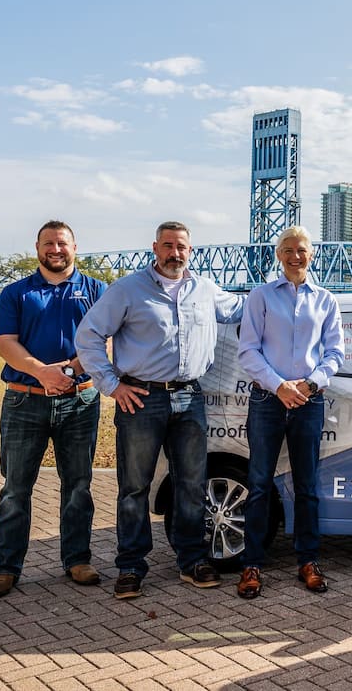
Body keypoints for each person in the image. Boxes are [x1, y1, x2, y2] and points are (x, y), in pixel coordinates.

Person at [75, 221, 244, 600]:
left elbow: (244, 310)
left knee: (191, 484)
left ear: (191, 250)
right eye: (168, 245)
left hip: (190, 398)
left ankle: (191, 559)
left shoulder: (205, 290)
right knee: (134, 488)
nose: (175, 253)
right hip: (142, 399)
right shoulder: (128, 290)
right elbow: (88, 335)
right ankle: (131, 566)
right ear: (155, 248)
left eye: (181, 246)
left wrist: (292, 290)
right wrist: (112, 385)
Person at [0, 220, 106, 599]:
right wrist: (42, 372)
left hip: (79, 400)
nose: (56, 249)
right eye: (49, 243)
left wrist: (67, 371)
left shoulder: (96, 291)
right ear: (37, 247)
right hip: (24, 399)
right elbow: (6, 343)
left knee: (78, 486)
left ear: (75, 247)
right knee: (16, 489)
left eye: (63, 243)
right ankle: (5, 568)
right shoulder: (16, 293)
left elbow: (107, 342)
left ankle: (77, 559)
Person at [235, 225, 344, 599]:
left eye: (302, 250)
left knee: (307, 485)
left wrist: (309, 384)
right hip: (268, 400)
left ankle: (308, 561)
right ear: (278, 255)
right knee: (260, 484)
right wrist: (279, 385)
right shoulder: (261, 296)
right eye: (288, 250)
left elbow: (335, 353)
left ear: (311, 254)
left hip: (309, 400)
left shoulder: (326, 300)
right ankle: (251, 564)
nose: (295, 256)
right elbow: (248, 350)